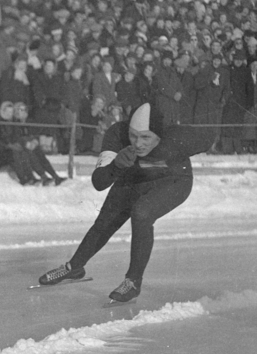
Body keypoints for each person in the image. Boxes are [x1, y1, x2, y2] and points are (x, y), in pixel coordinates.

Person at [36, 103, 213, 304]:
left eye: (146, 137)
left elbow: (209, 137)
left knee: (142, 213)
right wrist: (115, 166)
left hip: (173, 181)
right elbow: (99, 182)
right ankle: (74, 267)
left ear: (160, 135)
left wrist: (186, 150)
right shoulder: (117, 135)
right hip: (132, 179)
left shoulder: (176, 137)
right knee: (105, 221)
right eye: (133, 135)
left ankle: (133, 282)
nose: (138, 143)